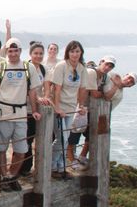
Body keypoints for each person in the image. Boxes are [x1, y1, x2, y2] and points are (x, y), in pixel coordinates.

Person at [0, 38, 43, 192]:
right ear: (6, 52)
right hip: (3, 112)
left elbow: (32, 91)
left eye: (15, 50)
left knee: (21, 148)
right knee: (1, 148)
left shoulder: (28, 67)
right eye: (10, 51)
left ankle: (11, 175)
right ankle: (5, 177)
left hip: (21, 113)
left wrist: (35, 110)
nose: (12, 53)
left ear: (20, 51)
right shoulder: (0, 67)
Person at [68, 55, 115, 169]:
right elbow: (95, 94)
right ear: (101, 62)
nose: (107, 67)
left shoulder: (105, 77)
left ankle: (82, 157)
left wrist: (115, 86)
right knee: (74, 135)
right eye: (106, 64)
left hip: (89, 110)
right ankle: (71, 160)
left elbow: (107, 96)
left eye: (110, 66)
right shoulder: (91, 72)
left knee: (90, 135)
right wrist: (102, 94)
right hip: (79, 107)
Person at [50, 40, 88, 179]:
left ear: (81, 52)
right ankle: (52, 166)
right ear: (68, 53)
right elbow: (57, 89)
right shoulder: (61, 66)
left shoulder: (81, 68)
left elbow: (82, 89)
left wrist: (81, 106)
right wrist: (57, 107)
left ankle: (61, 167)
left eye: (77, 51)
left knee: (65, 140)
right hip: (59, 108)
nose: (75, 54)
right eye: (72, 51)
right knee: (61, 138)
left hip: (71, 108)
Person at [19, 42, 52, 177]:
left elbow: (47, 86)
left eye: (40, 53)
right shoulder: (25, 68)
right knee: (26, 139)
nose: (38, 56)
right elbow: (24, 88)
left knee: (39, 136)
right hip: (25, 108)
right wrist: (38, 98)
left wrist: (46, 98)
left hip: (39, 109)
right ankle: (24, 167)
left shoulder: (43, 69)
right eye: (35, 53)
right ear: (30, 54)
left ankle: (35, 166)